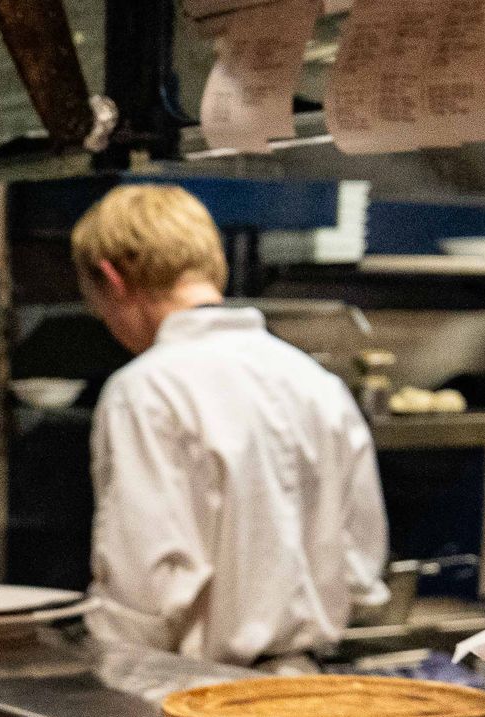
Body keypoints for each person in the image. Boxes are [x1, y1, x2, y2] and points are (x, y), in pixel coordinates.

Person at [72, 183, 388, 668]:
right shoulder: (316, 381)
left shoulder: (145, 389)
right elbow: (362, 568)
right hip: (311, 686)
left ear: (112, 280)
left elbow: (143, 588)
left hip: (188, 697)